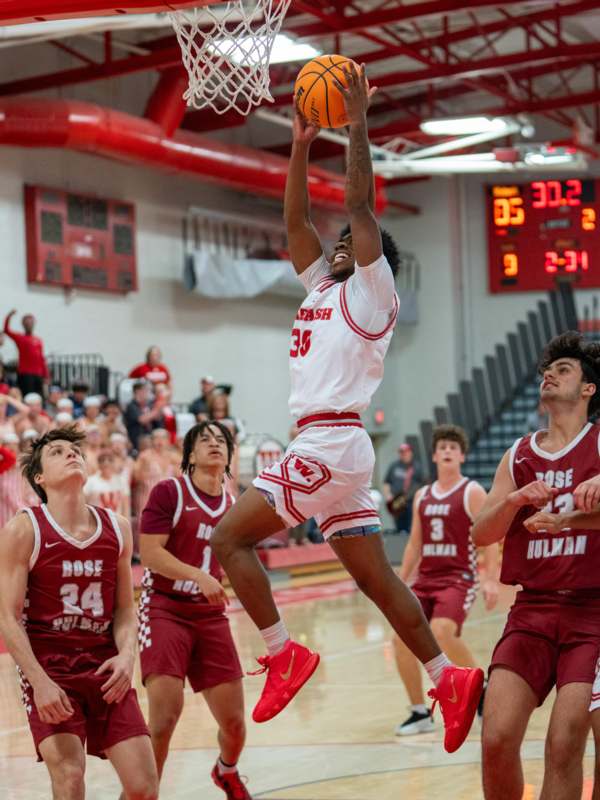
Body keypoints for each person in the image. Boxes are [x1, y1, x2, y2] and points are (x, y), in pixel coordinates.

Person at [210, 62, 483, 754]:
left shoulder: (370, 294)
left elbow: (359, 210)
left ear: (372, 264)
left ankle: (282, 654)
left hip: (328, 442)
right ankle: (446, 676)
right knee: (375, 576)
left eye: (348, 246)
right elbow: (297, 219)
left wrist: (357, 122)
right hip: (337, 448)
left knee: (228, 541)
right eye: (335, 246)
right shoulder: (319, 290)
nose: (334, 244)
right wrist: (301, 145)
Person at [472, 331, 600, 800]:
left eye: (563, 370)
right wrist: (516, 501)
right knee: (496, 737)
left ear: (588, 389)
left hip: (591, 613)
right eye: (548, 369)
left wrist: (574, 516)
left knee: (563, 744)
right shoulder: (519, 454)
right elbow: (481, 532)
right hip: (531, 613)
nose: (549, 374)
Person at [0, 425, 158, 799]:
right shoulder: (24, 529)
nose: (71, 454)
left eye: (74, 450)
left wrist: (127, 657)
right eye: (56, 451)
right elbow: (7, 616)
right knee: (70, 778)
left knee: (144, 787)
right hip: (51, 667)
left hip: (105, 665)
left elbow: (123, 609)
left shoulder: (117, 528)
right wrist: (39, 682)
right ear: (39, 477)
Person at [138, 421, 251, 799]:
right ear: (189, 455)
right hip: (164, 608)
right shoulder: (169, 491)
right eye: (205, 440)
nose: (215, 445)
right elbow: (151, 554)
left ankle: (226, 771)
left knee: (235, 723)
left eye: (221, 441)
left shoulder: (235, 505)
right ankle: (143, 794)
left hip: (209, 615)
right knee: (165, 718)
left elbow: (239, 557)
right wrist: (198, 576)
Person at [393, 425, 499, 736]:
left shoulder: (472, 491)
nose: (448, 451)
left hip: (459, 578)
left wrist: (490, 579)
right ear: (435, 455)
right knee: (399, 639)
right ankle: (419, 712)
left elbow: (489, 538)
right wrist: (399, 581)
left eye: (454, 447)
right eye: (443, 447)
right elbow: (415, 543)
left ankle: (480, 688)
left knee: (441, 631)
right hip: (426, 578)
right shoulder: (422, 495)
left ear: (462, 455)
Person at [3, 309, 49, 398]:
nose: (29, 324)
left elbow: (41, 358)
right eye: (27, 322)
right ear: (23, 324)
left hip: (38, 375)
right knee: (27, 397)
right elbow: (6, 330)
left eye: (31, 322)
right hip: (25, 374)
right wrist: (9, 316)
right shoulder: (20, 338)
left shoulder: (38, 340)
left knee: (39, 397)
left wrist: (46, 375)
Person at [383, 443, 424, 533]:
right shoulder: (394, 466)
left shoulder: (416, 467)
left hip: (410, 501)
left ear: (410, 453)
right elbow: (386, 482)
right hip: (397, 500)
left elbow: (421, 484)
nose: (403, 454)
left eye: (405, 452)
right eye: (401, 452)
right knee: (399, 527)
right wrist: (388, 496)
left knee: (411, 526)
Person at [84, 450, 130, 518]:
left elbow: (126, 507)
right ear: (98, 464)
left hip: (117, 523)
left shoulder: (121, 481)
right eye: (102, 460)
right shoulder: (90, 481)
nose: (106, 463)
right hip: (97, 522)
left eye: (110, 460)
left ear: (114, 463)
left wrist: (127, 523)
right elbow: (84, 505)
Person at [124, 382, 165, 453]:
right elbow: (142, 419)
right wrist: (157, 409)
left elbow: (157, 417)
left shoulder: (149, 405)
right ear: (137, 391)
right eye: (145, 390)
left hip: (150, 436)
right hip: (137, 439)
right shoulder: (131, 406)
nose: (147, 393)